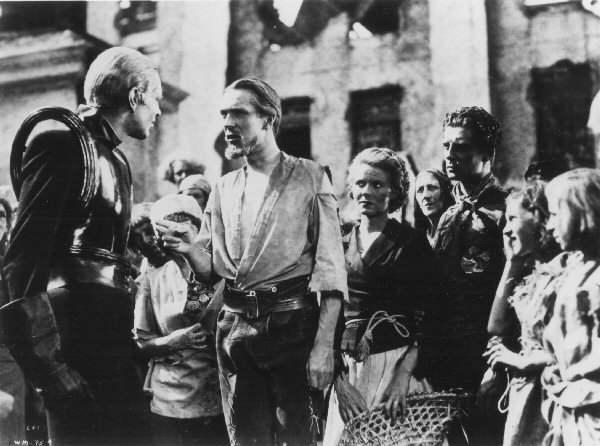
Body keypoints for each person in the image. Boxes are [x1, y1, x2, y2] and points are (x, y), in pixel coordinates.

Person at [157, 77, 347, 446]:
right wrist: (188, 249)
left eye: (239, 113)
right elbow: (211, 270)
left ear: (268, 118)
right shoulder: (224, 188)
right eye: (223, 114)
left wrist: (324, 347)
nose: (228, 123)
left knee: (298, 438)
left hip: (293, 328)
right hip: (236, 334)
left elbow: (331, 270)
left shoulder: (309, 177)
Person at [0, 47, 162, 445]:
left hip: (110, 333)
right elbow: (23, 257)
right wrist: (48, 366)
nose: (158, 111)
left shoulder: (116, 161)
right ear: (136, 95)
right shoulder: (62, 142)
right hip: (72, 336)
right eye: (155, 98)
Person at [323, 148, 440, 445]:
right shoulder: (340, 243)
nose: (367, 192)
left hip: (396, 366)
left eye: (377, 184)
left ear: (395, 192)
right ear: (351, 188)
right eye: (360, 183)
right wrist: (339, 384)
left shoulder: (411, 243)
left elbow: (433, 314)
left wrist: (404, 375)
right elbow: (327, 318)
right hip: (349, 372)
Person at [431, 106, 509, 444]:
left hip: (490, 363)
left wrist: (498, 366)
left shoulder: (507, 212)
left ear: (487, 153)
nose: (450, 155)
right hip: (449, 362)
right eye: (446, 146)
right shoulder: (448, 216)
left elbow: (518, 294)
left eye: (461, 147)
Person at [134, 194, 227, 445]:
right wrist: (175, 340)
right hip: (169, 400)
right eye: (168, 229)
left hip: (217, 395)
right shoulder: (151, 279)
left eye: (184, 227)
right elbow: (142, 342)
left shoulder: (223, 272)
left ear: (199, 230)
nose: (177, 237)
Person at [485, 181, 561, 446]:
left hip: (552, 396)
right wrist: (512, 263)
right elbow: (495, 326)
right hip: (527, 394)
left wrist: (521, 361)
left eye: (513, 218)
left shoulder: (563, 274)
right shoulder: (532, 273)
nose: (506, 229)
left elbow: (572, 352)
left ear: (539, 218)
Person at [541, 168, 600, 446]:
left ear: (582, 213)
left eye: (555, 215)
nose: (549, 225)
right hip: (572, 410)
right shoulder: (574, 268)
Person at [414, 168, 454, 247]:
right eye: (420, 190)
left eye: (432, 188)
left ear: (445, 192)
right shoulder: (417, 238)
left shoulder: (456, 231)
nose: (426, 195)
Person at [128, 201, 169, 274]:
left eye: (149, 231)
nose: (145, 241)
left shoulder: (187, 259)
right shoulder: (143, 274)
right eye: (137, 238)